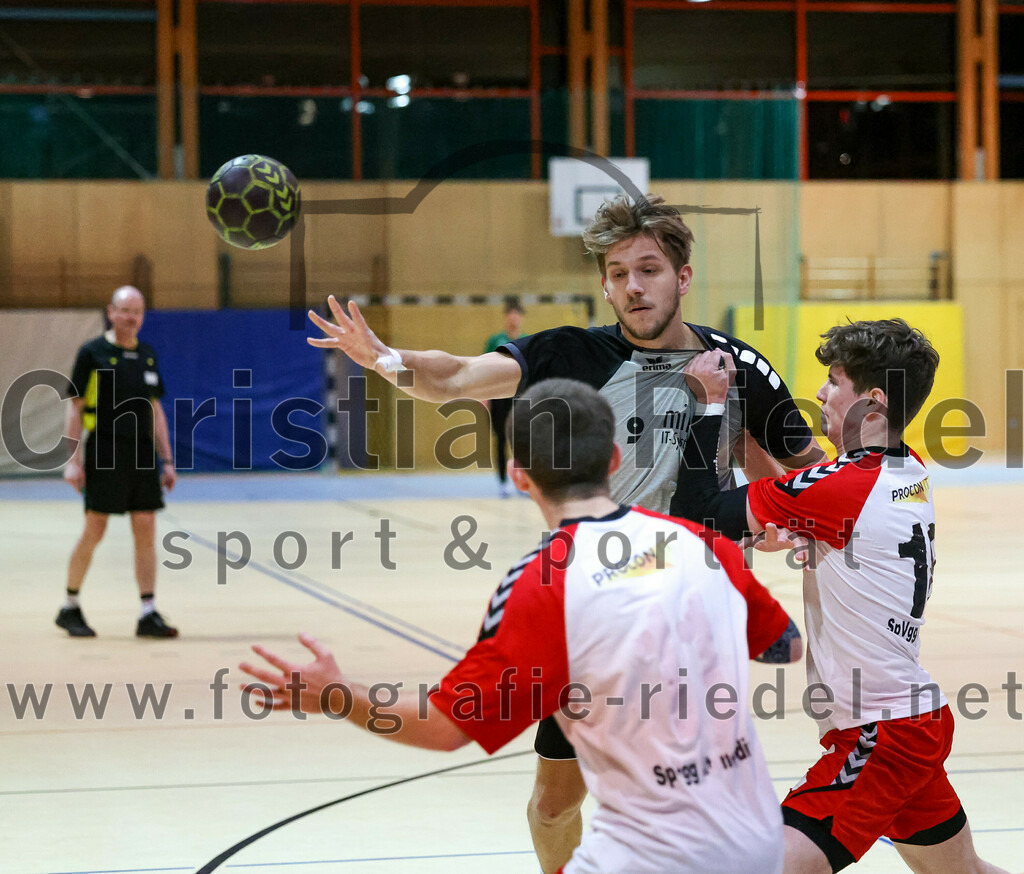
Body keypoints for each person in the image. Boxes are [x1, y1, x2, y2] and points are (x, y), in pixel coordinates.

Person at [307, 193, 827, 872]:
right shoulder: (572, 354)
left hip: (692, 597)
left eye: (648, 269)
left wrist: (785, 515)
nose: (633, 286)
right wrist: (384, 359)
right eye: (618, 274)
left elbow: (806, 468)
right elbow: (459, 377)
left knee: (685, 773)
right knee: (555, 802)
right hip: (599, 604)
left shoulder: (740, 367)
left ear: (684, 276)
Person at [241, 378, 803, 874]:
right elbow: (785, 647)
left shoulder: (544, 585)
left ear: (519, 475)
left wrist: (337, 697)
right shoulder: (701, 544)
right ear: (612, 459)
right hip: (758, 844)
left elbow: (445, 729)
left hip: (653, 857)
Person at [671, 319, 1012, 874]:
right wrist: (751, 447)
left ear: (872, 402)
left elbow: (699, 513)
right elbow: (805, 505)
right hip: (912, 720)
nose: (822, 395)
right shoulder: (904, 470)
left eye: (833, 382)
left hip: (882, 733)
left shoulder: (841, 488)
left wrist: (708, 407)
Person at [57, 286, 179, 639]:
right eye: (125, 310)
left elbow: (156, 411)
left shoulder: (148, 355)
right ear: (111, 311)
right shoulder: (92, 353)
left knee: (146, 529)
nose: (131, 317)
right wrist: (72, 460)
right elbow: (75, 407)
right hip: (105, 451)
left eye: (137, 311)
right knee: (95, 529)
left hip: (143, 455)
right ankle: (69, 605)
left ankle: (148, 612)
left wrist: (167, 460)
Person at [482, 298, 525, 497]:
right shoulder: (495, 340)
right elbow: (484, 369)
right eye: (510, 313)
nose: (513, 317)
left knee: (521, 439)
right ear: (506, 316)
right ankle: (502, 482)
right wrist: (484, 396)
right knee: (500, 438)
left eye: (517, 313)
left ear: (521, 317)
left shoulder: (527, 339)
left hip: (519, 396)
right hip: (499, 396)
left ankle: (522, 480)